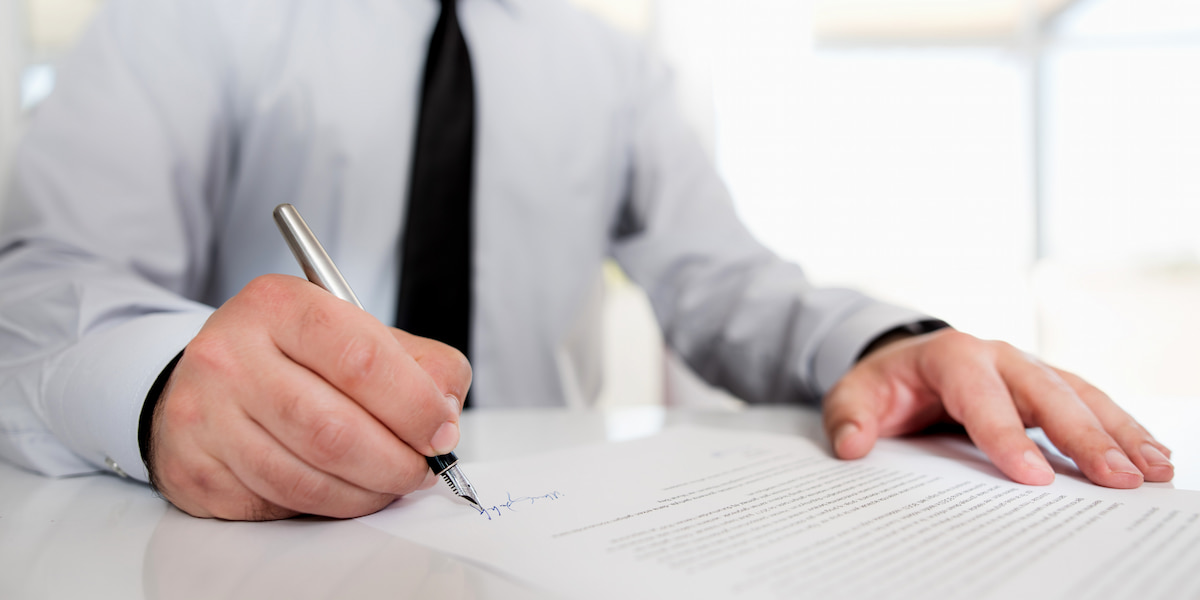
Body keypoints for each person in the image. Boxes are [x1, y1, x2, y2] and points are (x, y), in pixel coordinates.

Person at [0, 0, 1173, 521]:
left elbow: (724, 279)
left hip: (541, 537)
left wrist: (890, 345)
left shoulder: (611, 70)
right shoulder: (189, 17)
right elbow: (38, 277)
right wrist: (161, 382)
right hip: (253, 543)